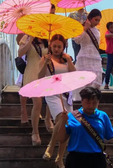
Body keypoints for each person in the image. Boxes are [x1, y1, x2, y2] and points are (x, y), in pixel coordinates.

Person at [38, 34, 75, 168]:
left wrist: (69, 61)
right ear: (50, 46)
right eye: (54, 46)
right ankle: (50, 146)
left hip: (66, 94)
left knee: (67, 125)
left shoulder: (67, 59)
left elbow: (74, 74)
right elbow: (40, 76)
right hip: (52, 92)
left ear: (64, 47)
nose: (57, 49)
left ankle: (59, 158)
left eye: (59, 46)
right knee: (61, 117)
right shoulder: (45, 59)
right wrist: (45, 64)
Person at [57, 87, 113, 168]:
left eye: (94, 102)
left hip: (96, 159)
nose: (91, 105)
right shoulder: (72, 116)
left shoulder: (103, 116)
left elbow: (109, 136)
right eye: (88, 102)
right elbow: (61, 139)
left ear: (98, 102)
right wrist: (63, 121)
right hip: (76, 159)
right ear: (82, 101)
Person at [18, 34, 51, 146]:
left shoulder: (47, 39)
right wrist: (30, 40)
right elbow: (20, 53)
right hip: (31, 73)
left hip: (45, 73)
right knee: (38, 103)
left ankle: (48, 119)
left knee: (46, 101)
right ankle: (35, 132)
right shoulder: (27, 38)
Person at [73, 9, 102, 101]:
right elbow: (77, 40)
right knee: (84, 82)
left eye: (98, 20)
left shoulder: (97, 31)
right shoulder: (81, 27)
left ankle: (93, 102)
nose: (97, 22)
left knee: (95, 81)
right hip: (84, 57)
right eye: (96, 20)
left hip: (95, 57)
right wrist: (85, 29)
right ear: (90, 18)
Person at [15, 33, 29, 124]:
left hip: (38, 58)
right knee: (24, 85)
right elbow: (18, 41)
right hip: (26, 58)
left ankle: (37, 109)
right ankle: (23, 110)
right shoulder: (23, 32)